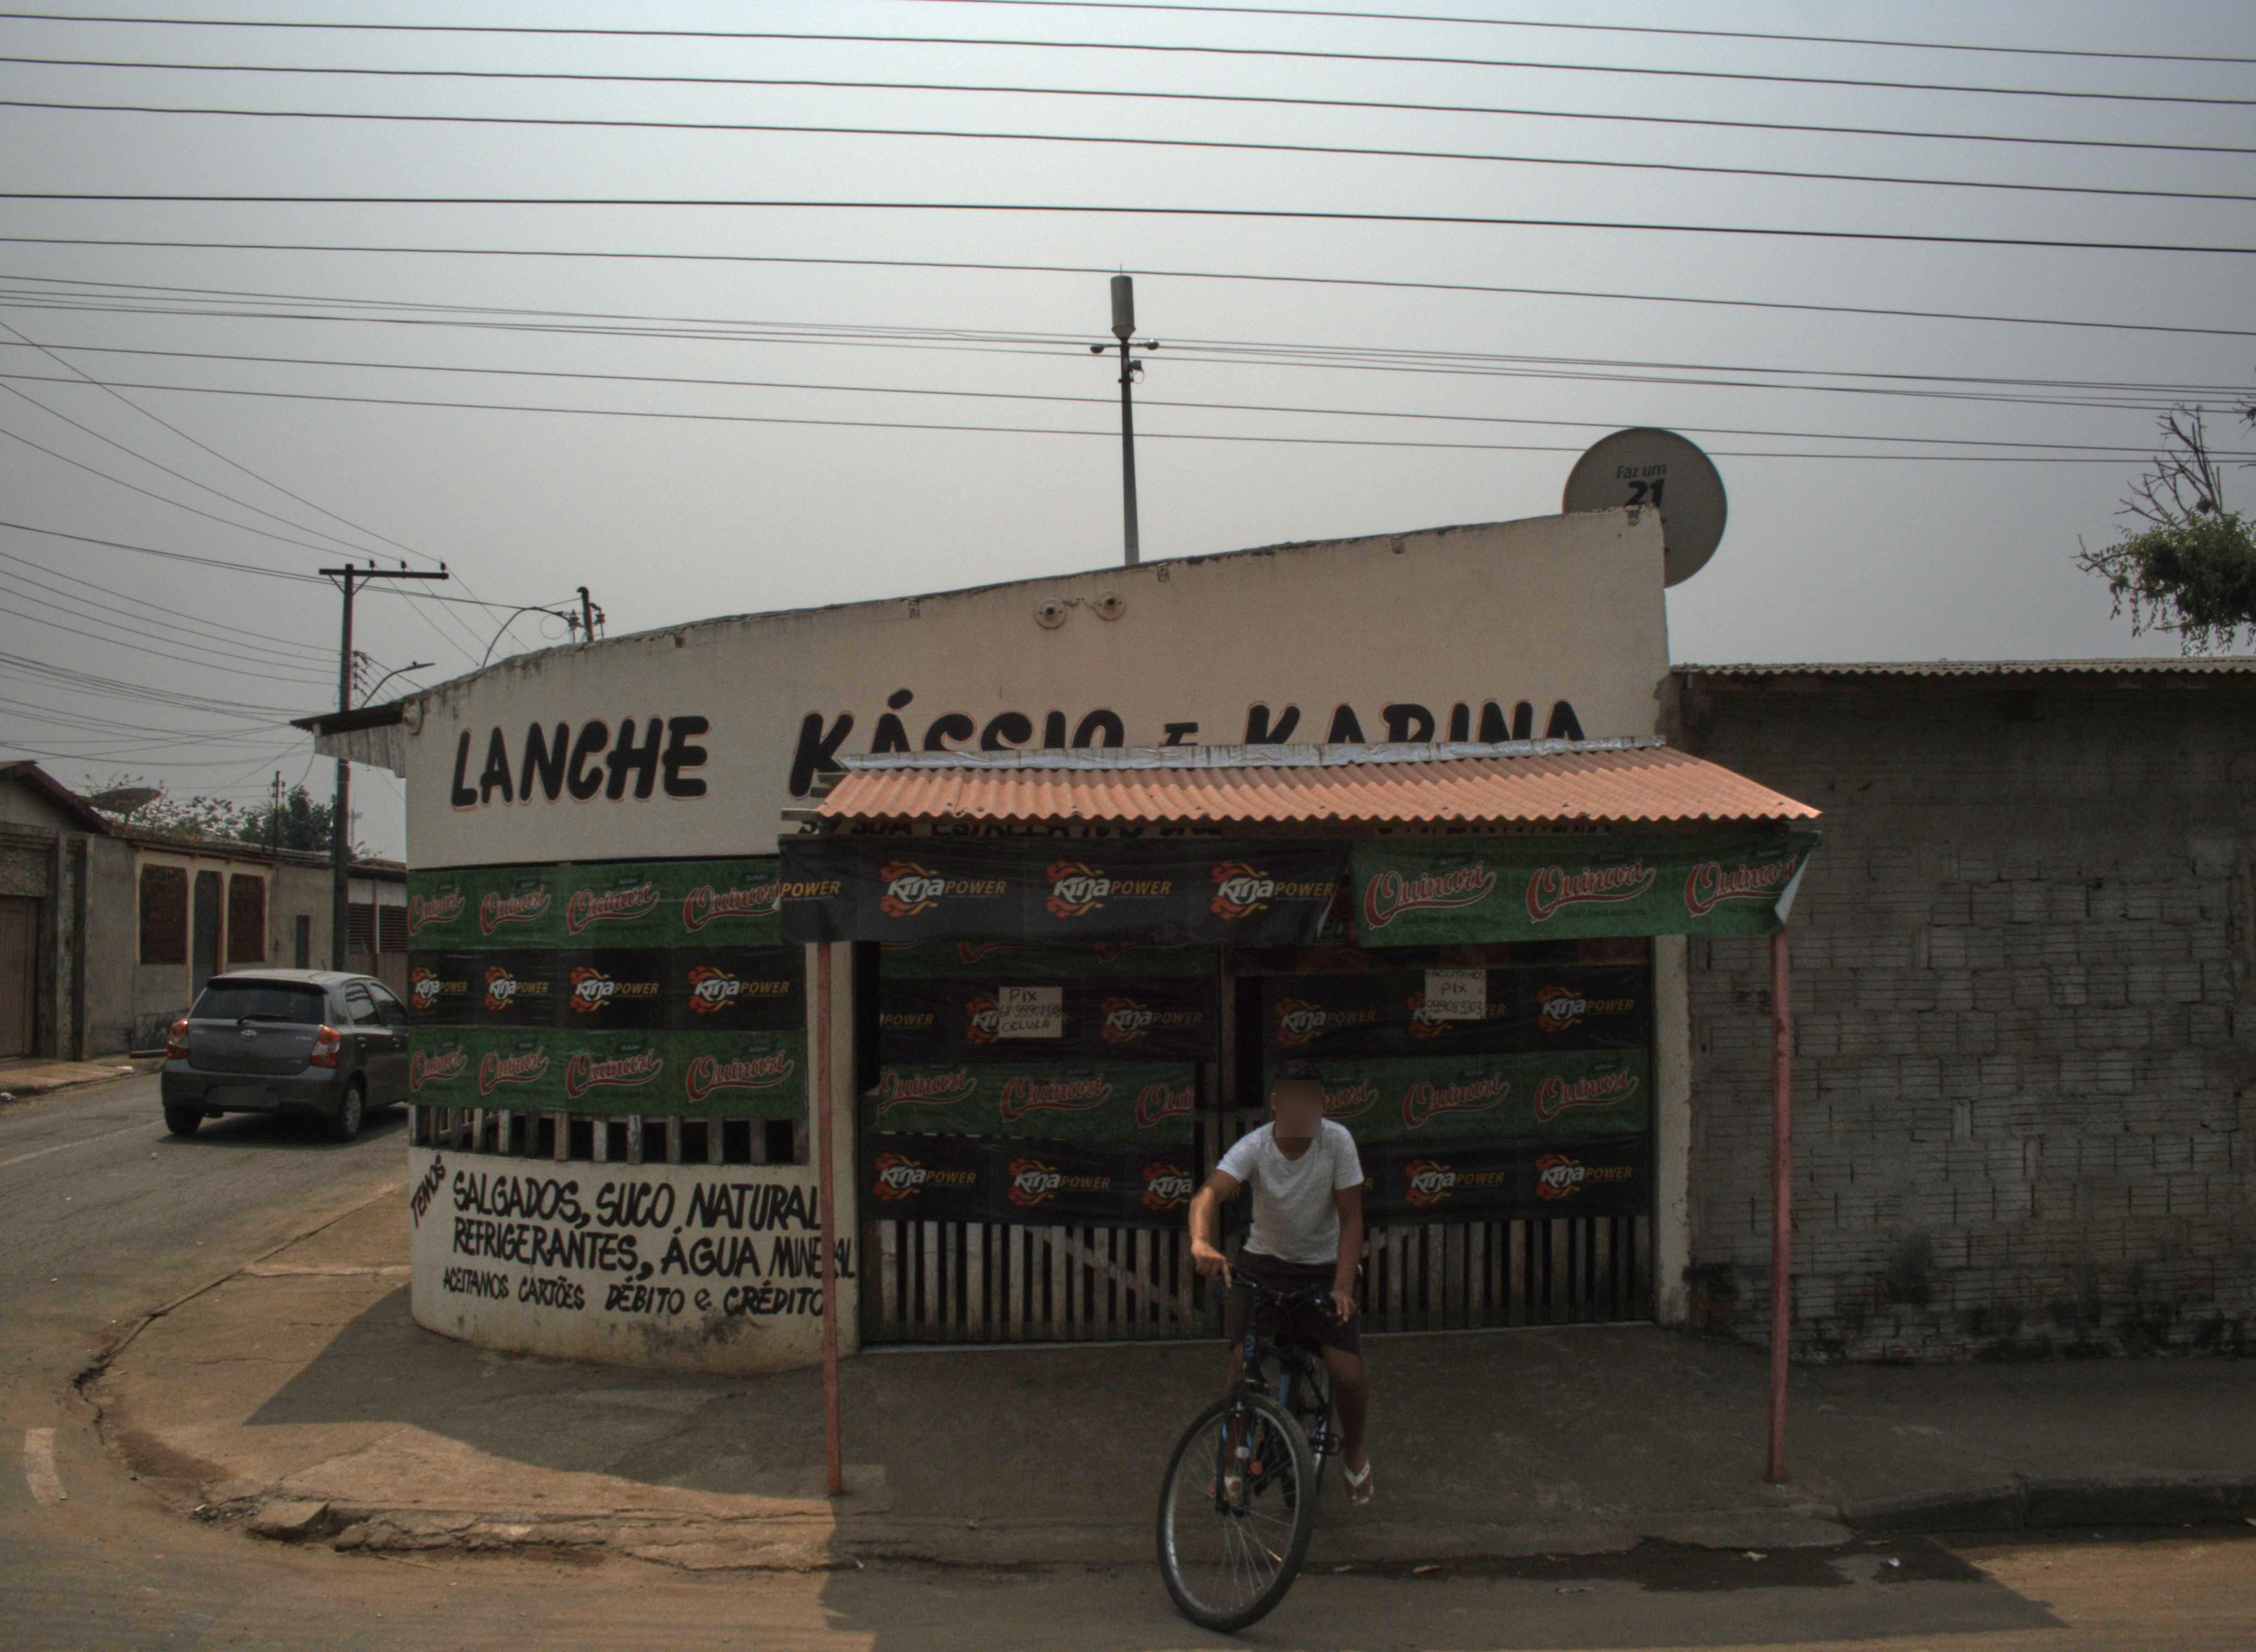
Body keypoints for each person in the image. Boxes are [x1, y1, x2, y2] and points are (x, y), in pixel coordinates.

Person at [1187, 1057, 1373, 1506]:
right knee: (1242, 1363)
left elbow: (1351, 1221)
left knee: (1347, 1373)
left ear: (1322, 1106)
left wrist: (1342, 1287)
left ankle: (1354, 1451)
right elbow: (1208, 1194)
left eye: (1311, 1103)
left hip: (1323, 1268)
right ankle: (1233, 1462)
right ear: (1275, 1105)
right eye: (1293, 1102)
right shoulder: (1255, 1147)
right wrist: (1201, 1242)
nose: (1302, 1112)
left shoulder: (1338, 1142)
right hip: (1264, 1264)